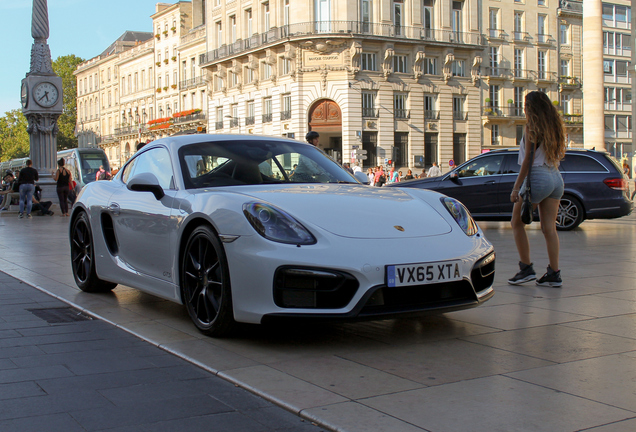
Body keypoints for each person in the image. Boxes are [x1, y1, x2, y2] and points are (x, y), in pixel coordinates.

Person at [509, 91, 566, 288]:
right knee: (549, 229)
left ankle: (526, 269)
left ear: (530, 108)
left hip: (538, 177)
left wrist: (516, 188)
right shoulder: (554, 127)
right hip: (556, 177)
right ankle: (554, 273)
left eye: (525, 106)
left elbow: (528, 161)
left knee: (516, 223)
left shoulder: (531, 127)